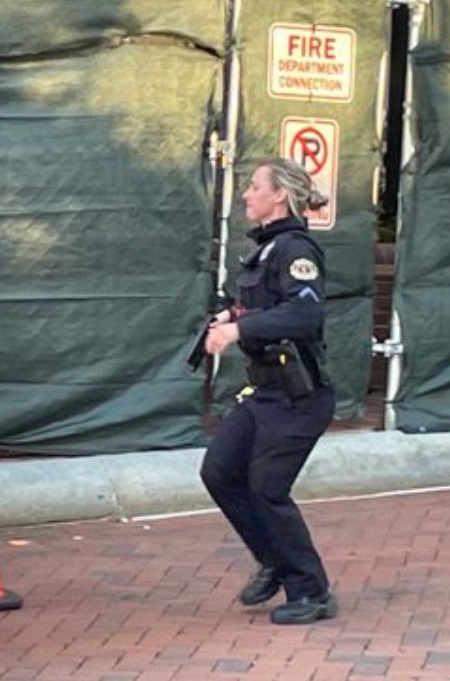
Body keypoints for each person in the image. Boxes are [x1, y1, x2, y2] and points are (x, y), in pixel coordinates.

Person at [198, 157, 337, 625]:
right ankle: (275, 561)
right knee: (219, 470)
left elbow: (304, 314)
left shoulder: (295, 249)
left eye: (254, 186)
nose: (245, 195)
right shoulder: (267, 249)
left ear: (279, 195)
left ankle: (312, 591)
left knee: (267, 489)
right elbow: (265, 306)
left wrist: (239, 332)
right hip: (265, 393)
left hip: (299, 398)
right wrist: (232, 317)